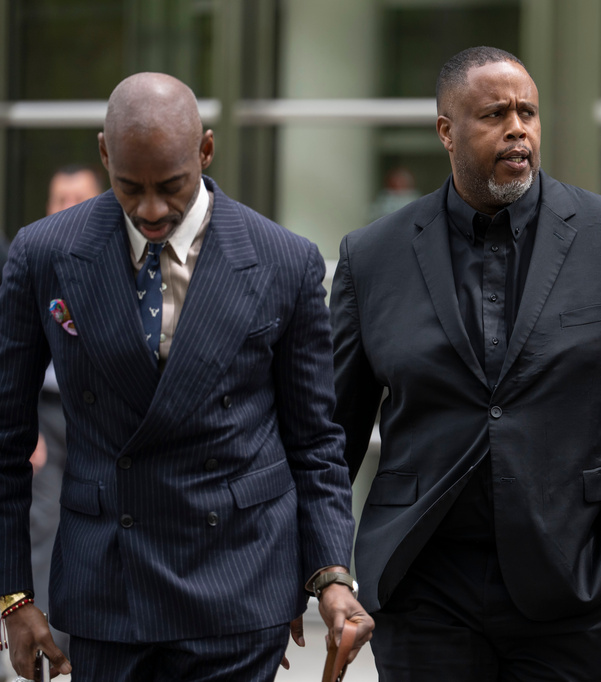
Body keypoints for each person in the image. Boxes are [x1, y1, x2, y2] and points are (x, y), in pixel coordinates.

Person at [331, 46, 601, 681]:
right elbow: (331, 433)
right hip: (423, 588)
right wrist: (330, 566)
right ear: (446, 130)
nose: (518, 129)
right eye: (495, 114)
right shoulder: (372, 257)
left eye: (527, 112)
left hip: (575, 585)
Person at [0, 72, 372, 681]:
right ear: (103, 153)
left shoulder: (285, 260)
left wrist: (330, 574)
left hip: (238, 583)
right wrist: (12, 595)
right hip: (106, 592)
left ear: (206, 150)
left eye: (171, 186)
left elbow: (314, 441)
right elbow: (5, 439)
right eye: (129, 187)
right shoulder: (43, 253)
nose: (150, 210)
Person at [28, 164, 105, 657]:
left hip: (98, 416)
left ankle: (95, 634)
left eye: (79, 197)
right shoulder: (33, 260)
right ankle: (44, 639)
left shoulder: (117, 259)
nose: (68, 206)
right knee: (42, 519)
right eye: (60, 198)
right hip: (46, 411)